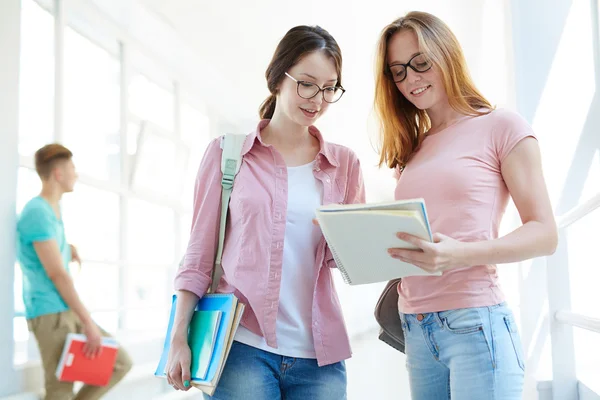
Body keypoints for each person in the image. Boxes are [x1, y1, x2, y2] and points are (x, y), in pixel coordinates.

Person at [165, 25, 364, 400]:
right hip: (242, 345)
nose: (317, 99)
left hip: (319, 355)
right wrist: (178, 337)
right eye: (306, 83)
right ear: (277, 78)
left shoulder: (344, 164)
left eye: (328, 88)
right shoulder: (229, 154)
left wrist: (367, 238)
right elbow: (199, 254)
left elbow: (348, 263)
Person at [373, 11, 558, 399]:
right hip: (416, 326)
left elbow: (544, 233)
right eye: (398, 71)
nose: (411, 79)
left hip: (474, 322)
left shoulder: (502, 126)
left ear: (447, 55)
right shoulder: (414, 149)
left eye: (420, 63)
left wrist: (460, 254)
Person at [16, 144, 132, 400]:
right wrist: (88, 322)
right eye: (72, 168)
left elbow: (47, 253)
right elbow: (58, 274)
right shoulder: (37, 212)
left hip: (63, 308)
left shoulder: (52, 211)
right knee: (60, 389)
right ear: (58, 173)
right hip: (50, 312)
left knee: (120, 362)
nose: (76, 174)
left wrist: (67, 249)